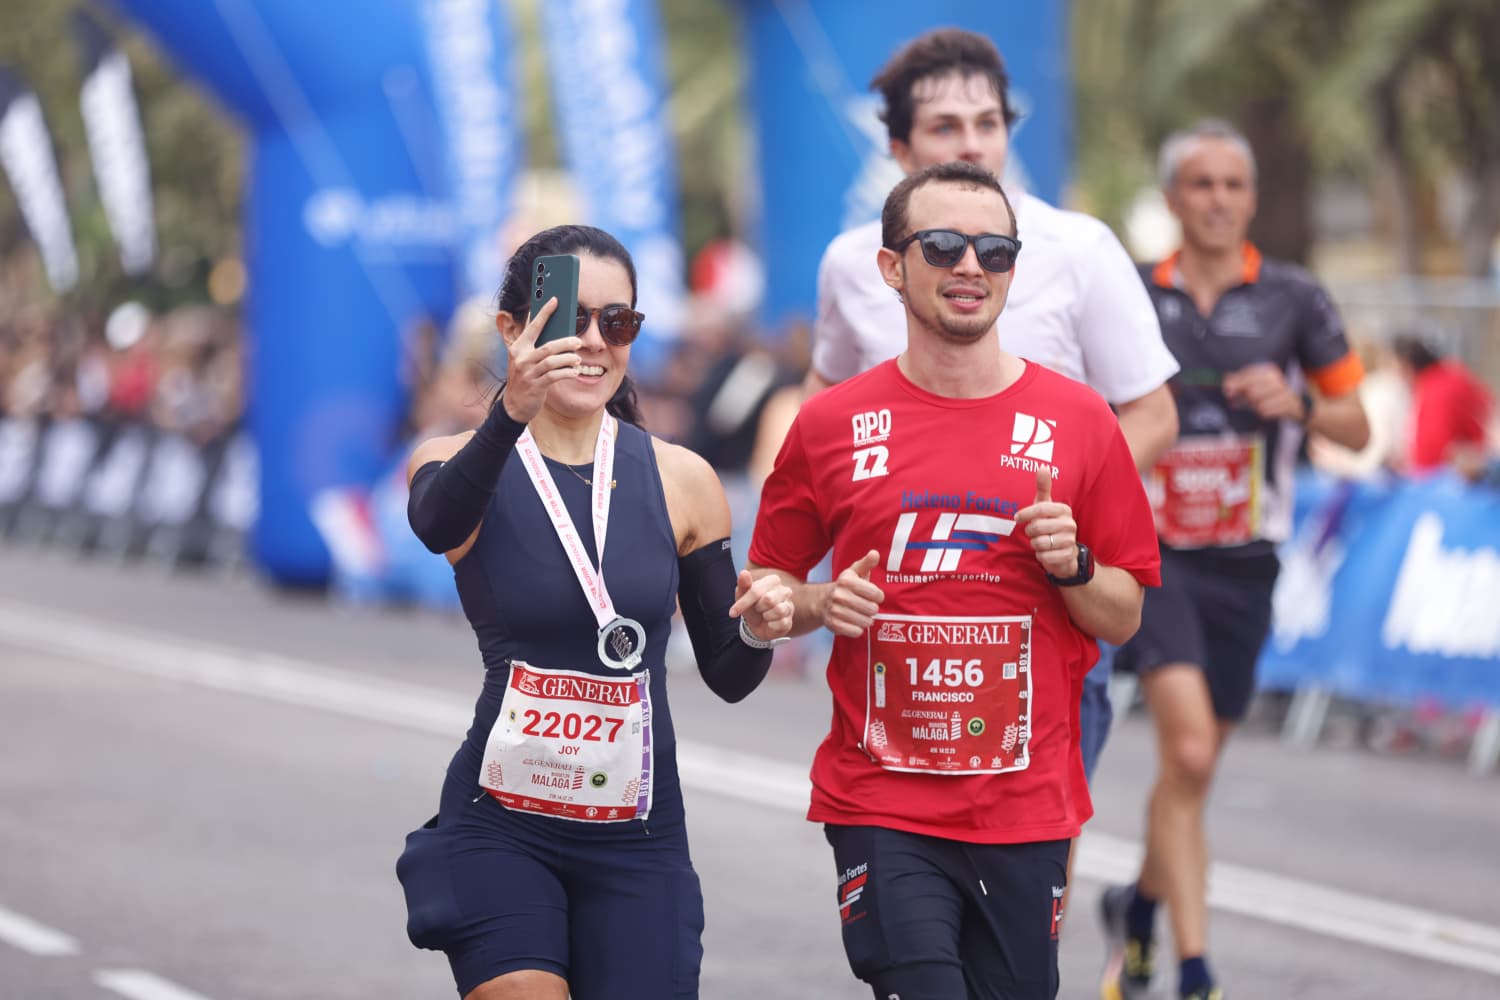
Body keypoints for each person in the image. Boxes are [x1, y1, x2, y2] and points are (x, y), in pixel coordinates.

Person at [749, 161, 1162, 1000]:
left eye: (996, 250)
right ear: (892, 269)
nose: (971, 267)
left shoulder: (1081, 421)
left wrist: (1074, 565)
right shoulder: (828, 425)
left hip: (1026, 805)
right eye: (943, 246)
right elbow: (767, 590)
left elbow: (1122, 616)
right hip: (880, 800)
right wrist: (818, 604)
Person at [395, 224, 795, 1000]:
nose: (592, 341)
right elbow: (438, 525)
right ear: (513, 329)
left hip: (638, 842)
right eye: (568, 317)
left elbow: (730, 673)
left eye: (617, 322)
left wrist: (757, 624)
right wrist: (511, 411)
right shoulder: (451, 461)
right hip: (501, 826)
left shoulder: (682, 479)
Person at [805, 27, 1180, 789]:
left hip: (1048, 582)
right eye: (946, 126)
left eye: (988, 123)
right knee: (903, 811)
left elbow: (1153, 412)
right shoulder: (854, 262)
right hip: (902, 602)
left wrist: (1059, 517)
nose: (972, 143)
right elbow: (824, 406)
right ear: (900, 147)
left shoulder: (1080, 247)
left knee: (1043, 829)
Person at [1099, 120, 1370, 1000]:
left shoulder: (1294, 296)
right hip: (1156, 556)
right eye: (1201, 184)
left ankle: (1137, 908)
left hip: (1250, 558)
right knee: (1189, 750)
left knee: (1192, 768)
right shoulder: (1133, 293)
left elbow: (1359, 427)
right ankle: (1196, 972)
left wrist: (1296, 405)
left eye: (1232, 185)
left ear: (1251, 199)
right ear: (1173, 198)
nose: (1217, 199)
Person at [1391, 334, 1494, 480]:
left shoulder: (1435, 391)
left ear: (1406, 365)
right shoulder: (1450, 375)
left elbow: (1431, 452)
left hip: (1451, 481)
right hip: (1470, 467)